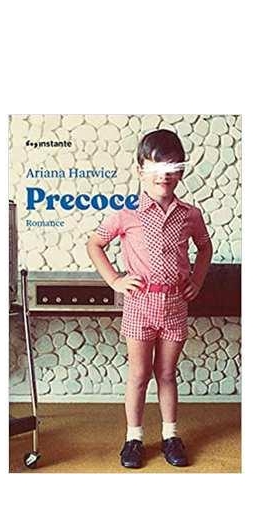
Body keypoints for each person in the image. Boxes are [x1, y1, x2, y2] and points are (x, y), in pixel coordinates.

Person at [86, 129, 213, 469]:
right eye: (155, 167)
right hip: (139, 306)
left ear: (181, 171)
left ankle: (171, 435)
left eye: (172, 166)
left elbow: (205, 247)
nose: (164, 174)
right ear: (140, 170)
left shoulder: (190, 214)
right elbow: (94, 244)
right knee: (139, 375)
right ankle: (134, 438)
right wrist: (114, 279)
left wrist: (197, 280)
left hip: (175, 306)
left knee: (167, 374)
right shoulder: (126, 214)